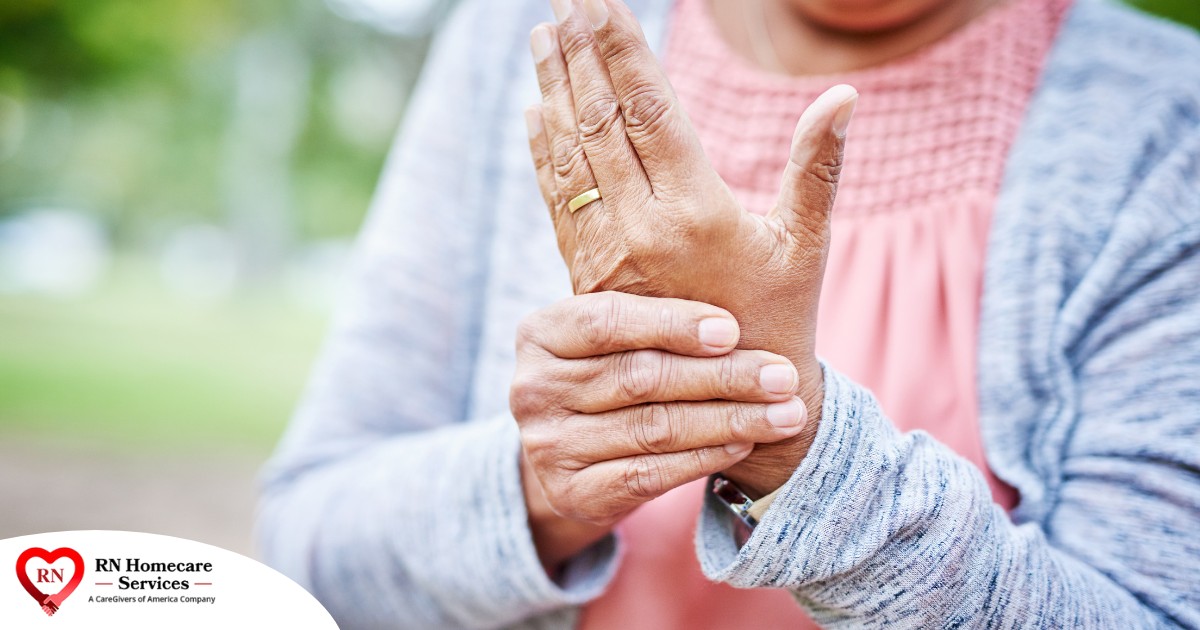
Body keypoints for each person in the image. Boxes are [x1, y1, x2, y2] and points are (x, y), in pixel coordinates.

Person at [257, 0, 1200, 626]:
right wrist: (540, 487)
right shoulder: (531, 34)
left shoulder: (1162, 116)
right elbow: (309, 550)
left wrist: (794, 445)